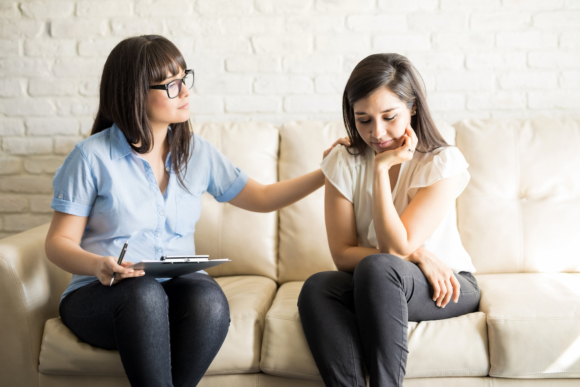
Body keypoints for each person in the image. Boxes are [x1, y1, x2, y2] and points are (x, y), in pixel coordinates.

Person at [45, 35, 348, 387]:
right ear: (134, 92)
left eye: (183, 79)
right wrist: (98, 265)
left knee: (207, 299)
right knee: (144, 294)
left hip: (170, 290)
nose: (185, 92)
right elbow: (58, 243)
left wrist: (328, 172)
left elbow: (262, 198)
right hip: (101, 297)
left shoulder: (196, 152)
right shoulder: (90, 157)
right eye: (171, 85)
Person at [297, 53, 481, 387]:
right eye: (363, 120)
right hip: (379, 279)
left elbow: (395, 249)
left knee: (377, 266)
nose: (376, 132)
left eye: (389, 117)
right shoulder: (344, 160)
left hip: (446, 284)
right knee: (318, 286)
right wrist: (419, 254)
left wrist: (380, 168)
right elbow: (342, 254)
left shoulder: (442, 162)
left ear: (412, 107)